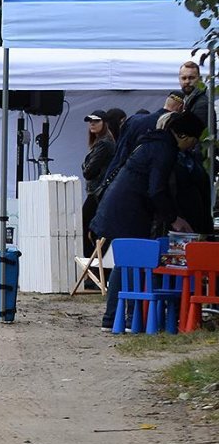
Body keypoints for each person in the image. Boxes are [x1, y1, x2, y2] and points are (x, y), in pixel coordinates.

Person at [91, 110, 205, 329]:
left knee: (123, 263)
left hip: (118, 206)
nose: (193, 145)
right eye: (193, 140)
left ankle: (113, 318)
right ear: (183, 135)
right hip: (129, 210)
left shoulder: (153, 142)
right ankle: (130, 319)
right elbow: (156, 189)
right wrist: (173, 218)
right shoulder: (165, 150)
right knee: (133, 262)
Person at [80, 109, 117, 257]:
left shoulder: (104, 143)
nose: (92, 124)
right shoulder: (101, 142)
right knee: (91, 227)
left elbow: (88, 171)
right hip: (98, 191)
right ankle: (94, 264)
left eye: (96, 121)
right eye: (90, 121)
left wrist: (84, 165)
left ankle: (92, 264)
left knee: (88, 227)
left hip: (98, 192)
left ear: (105, 123)